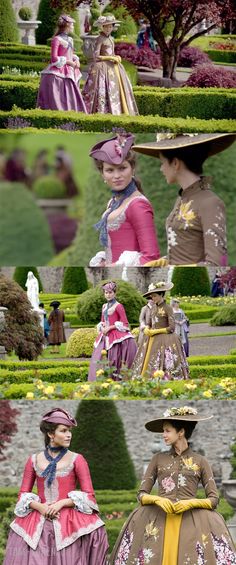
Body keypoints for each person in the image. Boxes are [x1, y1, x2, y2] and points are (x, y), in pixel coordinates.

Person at [110, 405, 236, 565]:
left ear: (181, 432)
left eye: (167, 430)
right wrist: (157, 500)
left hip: (191, 522)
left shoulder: (201, 461)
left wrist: (190, 503)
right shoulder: (157, 459)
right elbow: (141, 494)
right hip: (158, 519)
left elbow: (214, 499)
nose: (163, 435)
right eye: (163, 430)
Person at [3, 407, 109, 564]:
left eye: (69, 431)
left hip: (68, 523)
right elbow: (22, 495)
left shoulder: (77, 459)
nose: (69, 435)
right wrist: (40, 507)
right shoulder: (33, 460)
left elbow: (89, 495)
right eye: (64, 430)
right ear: (51, 434)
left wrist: (62, 503)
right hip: (38, 522)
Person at [132, 133, 236, 266]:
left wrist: (182, 271)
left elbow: (217, 264)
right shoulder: (183, 199)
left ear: (175, 163)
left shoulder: (210, 203)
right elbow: (186, 249)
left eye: (162, 163)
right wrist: (166, 262)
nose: (161, 169)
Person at [89, 133, 160, 267]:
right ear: (102, 174)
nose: (117, 176)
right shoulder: (113, 202)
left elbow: (151, 258)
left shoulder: (138, 205)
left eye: (122, 168)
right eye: (110, 170)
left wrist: (115, 266)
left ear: (132, 169)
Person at [82, 14, 139, 115]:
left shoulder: (111, 39)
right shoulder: (99, 38)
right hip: (102, 67)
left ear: (113, 27)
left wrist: (116, 57)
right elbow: (96, 56)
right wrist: (111, 58)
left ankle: (118, 111)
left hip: (114, 67)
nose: (108, 28)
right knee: (102, 89)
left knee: (116, 89)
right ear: (102, 27)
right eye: (106, 26)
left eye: (110, 26)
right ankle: (101, 110)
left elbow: (111, 52)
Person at [132, 281, 189, 380]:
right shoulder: (153, 308)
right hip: (151, 338)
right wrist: (146, 328)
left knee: (165, 361)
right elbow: (149, 323)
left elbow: (172, 328)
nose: (152, 299)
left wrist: (156, 331)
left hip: (166, 339)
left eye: (154, 296)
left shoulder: (168, 308)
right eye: (151, 296)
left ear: (161, 295)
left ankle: (165, 378)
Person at [37, 14, 87, 113]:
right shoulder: (56, 39)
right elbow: (54, 58)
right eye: (72, 25)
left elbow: (70, 54)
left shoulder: (70, 39)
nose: (73, 26)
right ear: (67, 26)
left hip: (70, 70)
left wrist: (76, 60)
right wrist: (69, 62)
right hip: (59, 71)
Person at [88, 281, 137, 381]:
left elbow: (125, 323)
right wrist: (102, 326)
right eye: (106, 293)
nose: (108, 295)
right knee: (99, 357)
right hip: (105, 334)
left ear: (115, 293)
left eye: (110, 292)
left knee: (114, 358)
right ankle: (101, 378)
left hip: (115, 334)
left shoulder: (119, 306)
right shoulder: (104, 306)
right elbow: (102, 320)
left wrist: (110, 328)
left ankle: (115, 377)